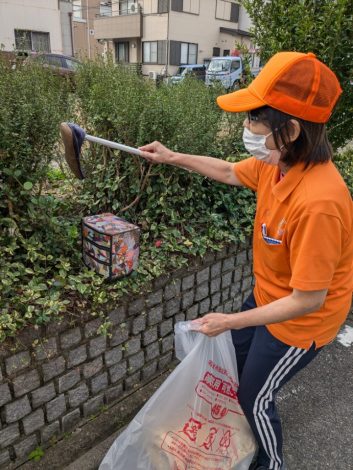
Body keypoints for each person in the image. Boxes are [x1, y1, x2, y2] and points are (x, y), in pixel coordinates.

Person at [138, 51, 353, 470]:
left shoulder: (320, 202)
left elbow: (308, 299)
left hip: (300, 323)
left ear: (289, 129)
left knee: (254, 394)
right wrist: (172, 157)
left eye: (255, 119)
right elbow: (229, 172)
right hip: (266, 299)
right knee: (235, 374)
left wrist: (228, 320)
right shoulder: (277, 165)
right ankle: (235, 436)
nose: (246, 129)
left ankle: (270, 463)